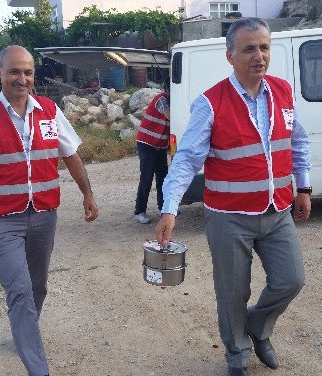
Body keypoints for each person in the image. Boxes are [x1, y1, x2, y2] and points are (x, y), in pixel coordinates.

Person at [154, 18, 312, 376]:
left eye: (264, 47)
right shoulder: (210, 103)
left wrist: (303, 187)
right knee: (232, 293)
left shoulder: (283, 92)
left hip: (276, 211)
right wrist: (169, 209)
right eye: (249, 49)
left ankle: (257, 327)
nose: (259, 56)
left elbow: (298, 141)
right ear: (230, 56)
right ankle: (237, 353)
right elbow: (186, 161)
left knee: (292, 280)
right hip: (229, 217)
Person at [0, 45, 98, 376]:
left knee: (38, 285)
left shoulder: (50, 111)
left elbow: (70, 155)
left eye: (27, 72)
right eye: (14, 71)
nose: (21, 79)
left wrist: (87, 194)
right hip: (1, 222)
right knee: (21, 290)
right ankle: (38, 368)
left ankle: (23, 331)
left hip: (44, 216)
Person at [134, 81, 170, 224]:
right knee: (147, 178)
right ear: (166, 88)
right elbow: (170, 115)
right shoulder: (161, 100)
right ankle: (140, 211)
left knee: (163, 179)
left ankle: (163, 208)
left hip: (159, 146)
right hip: (147, 144)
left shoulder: (171, 101)